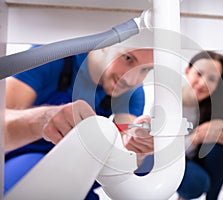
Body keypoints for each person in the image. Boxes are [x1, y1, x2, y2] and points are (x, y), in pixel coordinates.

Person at [4, 45, 154, 199]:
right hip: (19, 160)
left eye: (145, 69)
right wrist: (44, 118)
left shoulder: (131, 92)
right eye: (127, 58)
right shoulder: (47, 57)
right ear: (105, 45)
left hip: (76, 172)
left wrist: (137, 150)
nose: (130, 79)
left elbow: (125, 144)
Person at [177, 51, 223, 200]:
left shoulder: (221, 104)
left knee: (221, 143)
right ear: (187, 71)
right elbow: (164, 152)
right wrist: (196, 137)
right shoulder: (169, 100)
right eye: (199, 74)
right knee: (198, 183)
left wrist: (220, 127)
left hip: (201, 158)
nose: (203, 83)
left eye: (212, 79)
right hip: (175, 160)